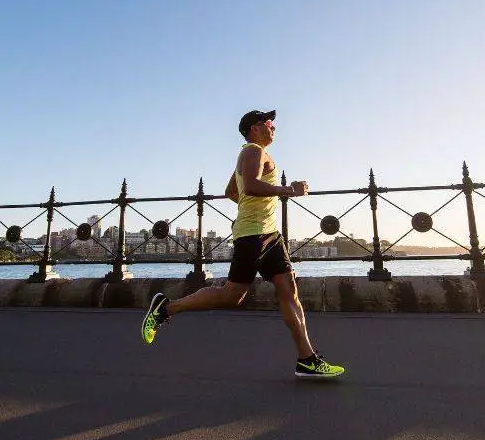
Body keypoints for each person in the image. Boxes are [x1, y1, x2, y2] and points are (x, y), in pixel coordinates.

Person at [140, 109, 346, 379]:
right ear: (254, 127)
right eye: (269, 123)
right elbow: (248, 186)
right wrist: (289, 191)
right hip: (253, 236)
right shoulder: (253, 152)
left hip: (270, 235)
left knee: (289, 290)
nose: (273, 127)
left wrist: (255, 209)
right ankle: (165, 308)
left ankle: (307, 359)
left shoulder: (253, 154)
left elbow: (231, 192)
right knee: (232, 295)